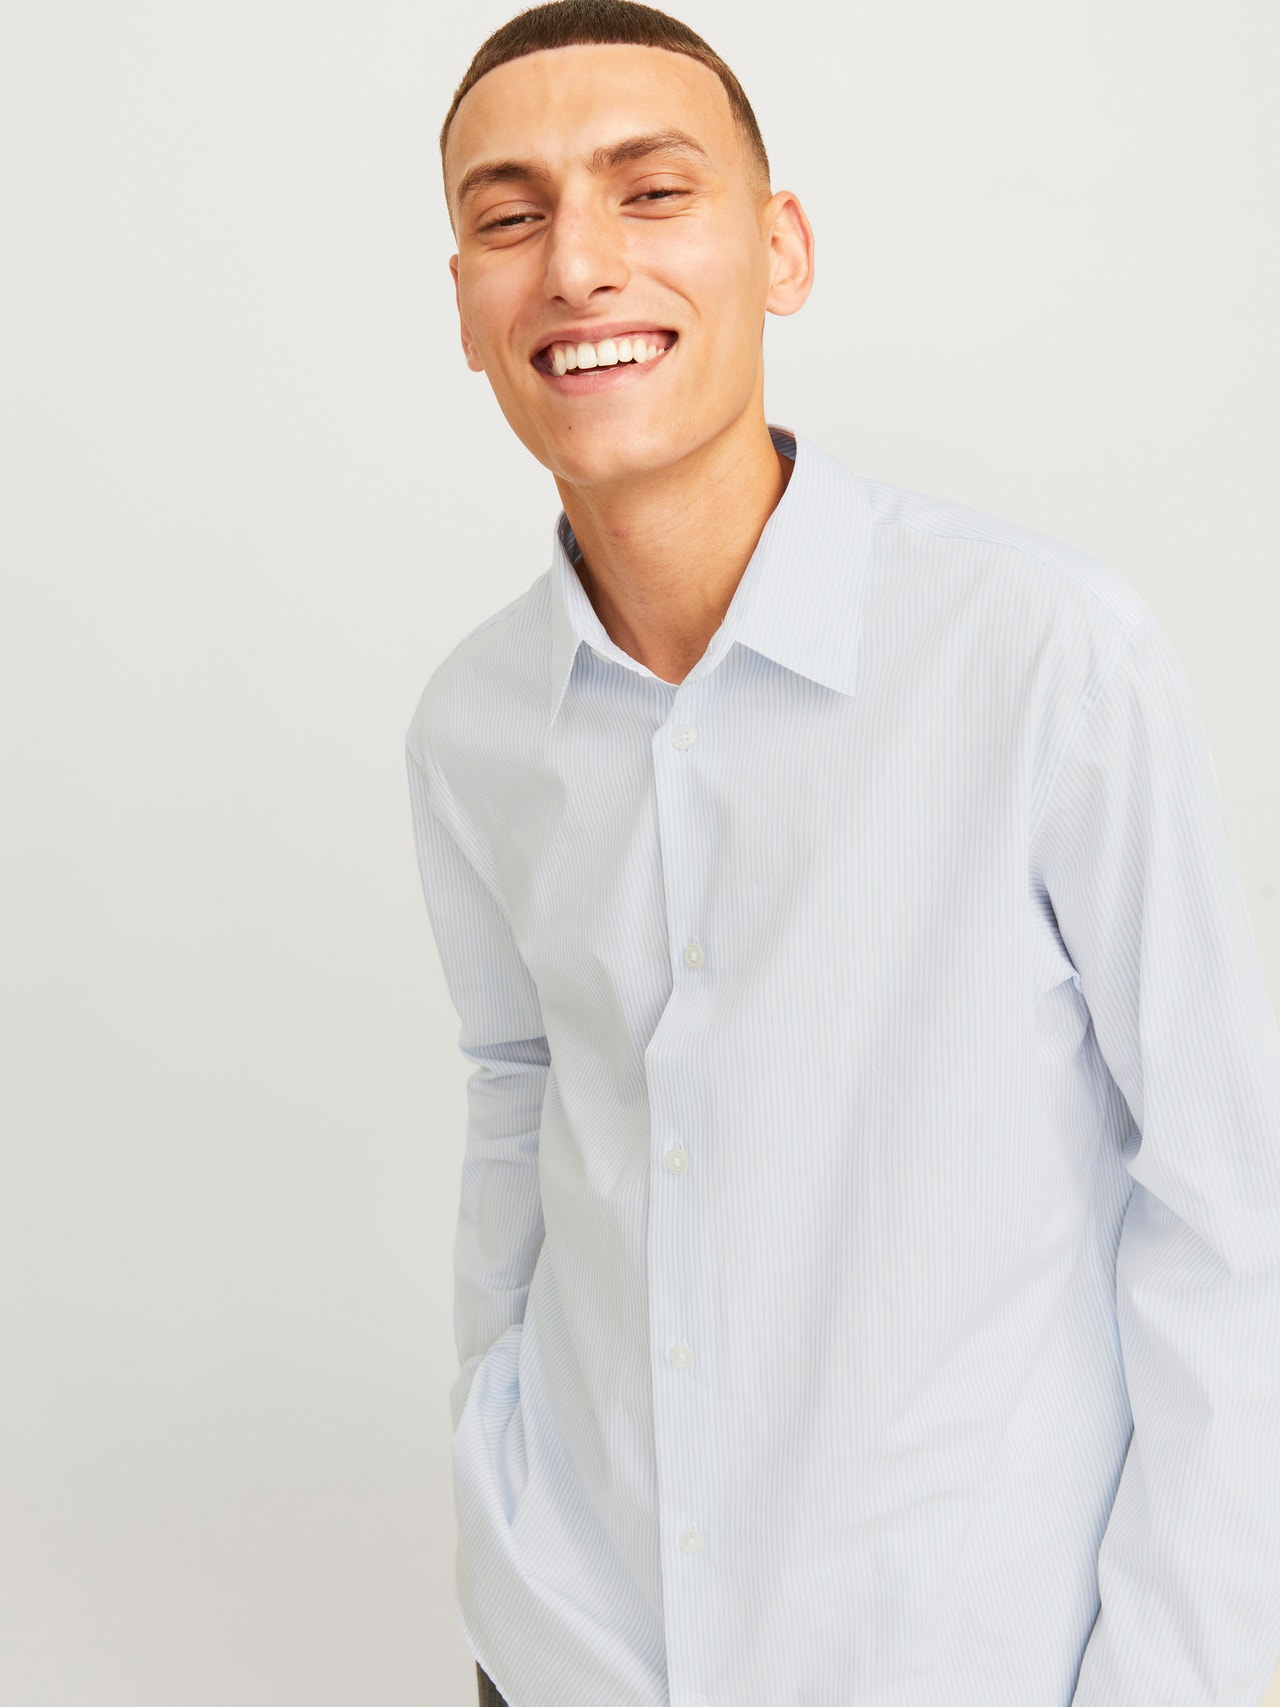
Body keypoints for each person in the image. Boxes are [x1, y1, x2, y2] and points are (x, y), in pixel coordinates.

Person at [405, 3, 1280, 1703]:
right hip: (575, 1652)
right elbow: (520, 1101)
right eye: (511, 216)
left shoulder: (1047, 658)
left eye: (652, 191)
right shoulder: (473, 726)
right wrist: (499, 1513)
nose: (577, 263)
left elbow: (1231, 1201)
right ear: (464, 305)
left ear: (780, 248)